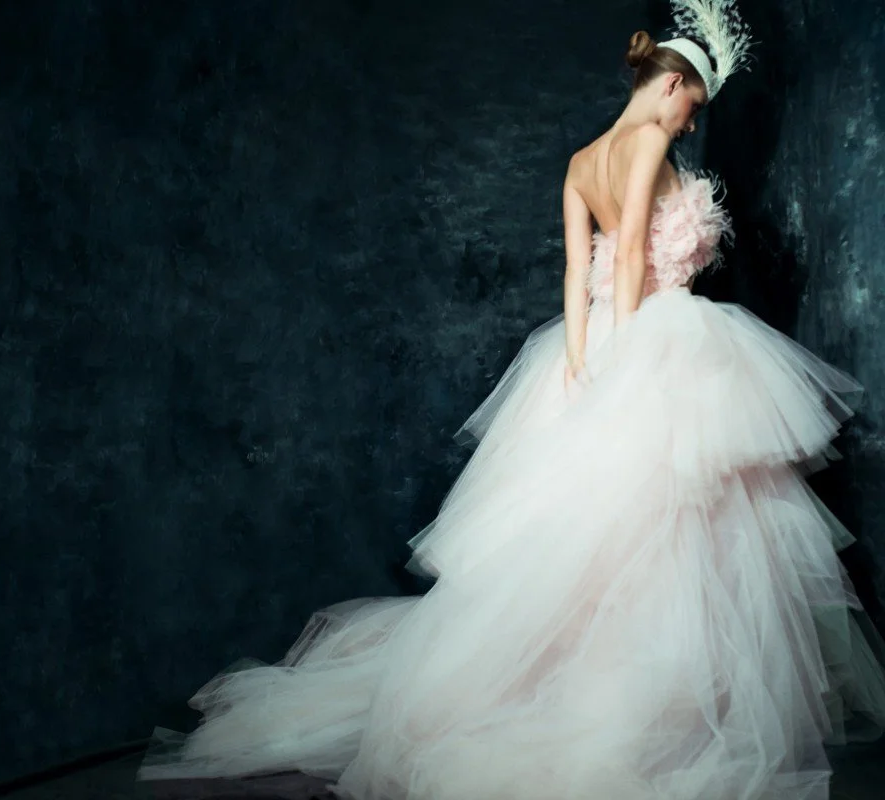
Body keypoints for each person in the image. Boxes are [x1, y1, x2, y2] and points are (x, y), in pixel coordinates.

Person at [137, 2, 885, 797]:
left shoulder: (580, 160)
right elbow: (628, 250)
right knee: (666, 528)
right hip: (650, 333)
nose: (692, 126)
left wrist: (580, 358)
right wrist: (631, 360)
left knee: (610, 539)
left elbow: (577, 273)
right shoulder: (648, 141)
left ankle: (622, 687)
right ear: (672, 87)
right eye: (694, 107)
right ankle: (659, 704)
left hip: (591, 338)